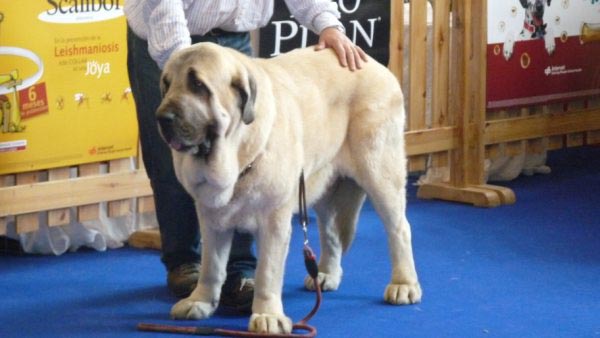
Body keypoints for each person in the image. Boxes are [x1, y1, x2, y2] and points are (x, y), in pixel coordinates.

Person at [124, 0, 368, 312]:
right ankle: (185, 264)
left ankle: (240, 269)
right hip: (165, 37)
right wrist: (183, 68)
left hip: (232, 40)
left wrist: (327, 23)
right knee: (172, 159)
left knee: (245, 162)